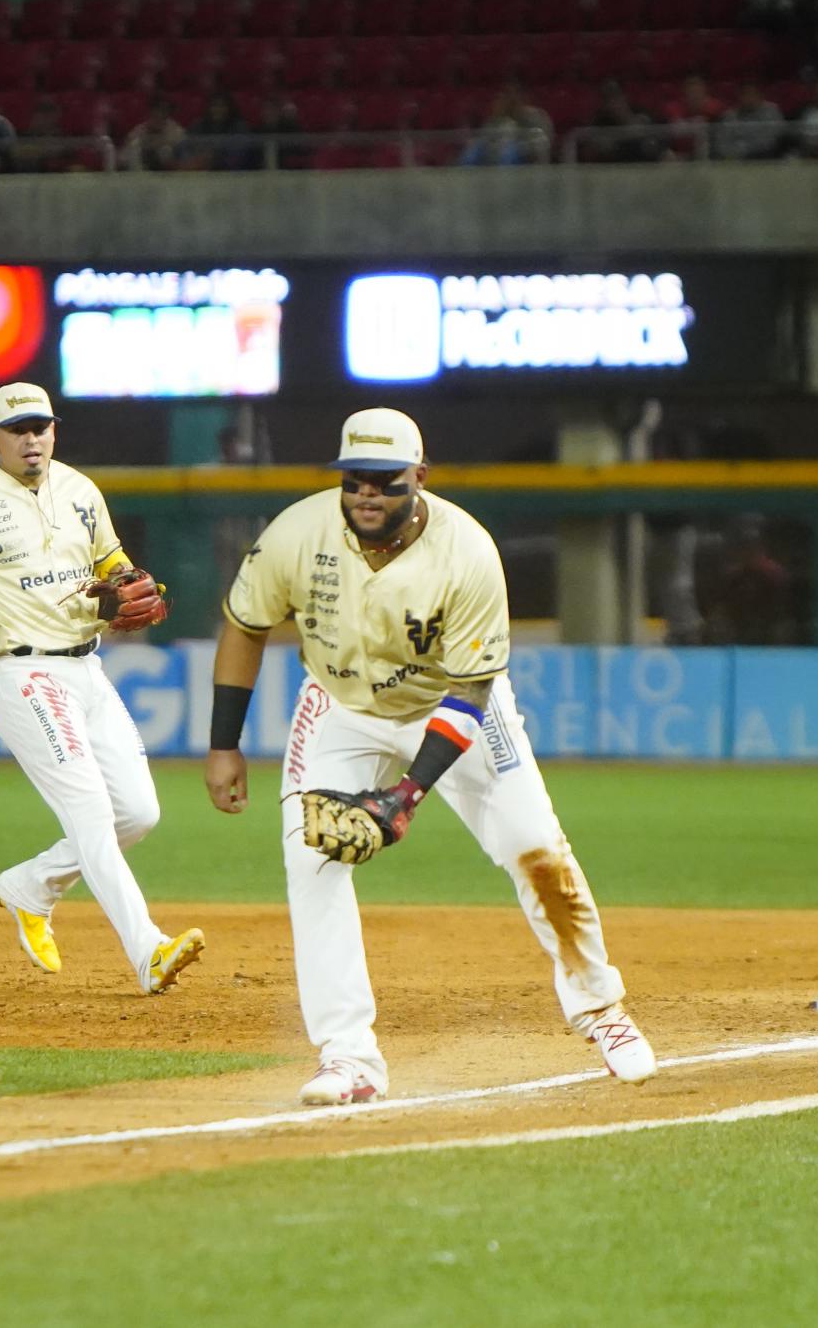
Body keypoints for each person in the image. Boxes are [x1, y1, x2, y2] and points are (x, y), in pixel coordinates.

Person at [203, 408, 657, 1106]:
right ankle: (349, 1057)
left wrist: (405, 796)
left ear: (419, 476)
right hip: (340, 706)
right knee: (311, 856)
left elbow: (471, 691)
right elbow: (246, 625)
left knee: (535, 846)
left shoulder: (466, 551)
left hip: (454, 704)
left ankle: (602, 1011)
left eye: (384, 482)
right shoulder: (298, 533)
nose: (366, 496)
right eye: (355, 481)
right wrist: (224, 743)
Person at [0, 383, 204, 996]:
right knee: (91, 812)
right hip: (21, 673)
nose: (31, 437)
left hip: (87, 669)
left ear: (54, 431)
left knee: (138, 813)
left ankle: (32, 885)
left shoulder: (80, 490)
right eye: (17, 429)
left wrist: (125, 582)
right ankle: (149, 951)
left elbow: (111, 564)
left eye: (40, 425)